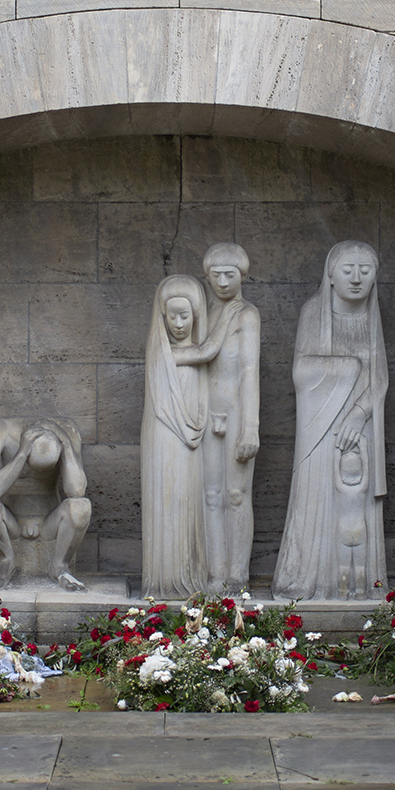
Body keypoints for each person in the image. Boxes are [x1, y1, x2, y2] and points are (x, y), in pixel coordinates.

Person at [273, 241, 388, 600]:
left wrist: (360, 412)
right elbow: (301, 372)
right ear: (331, 274)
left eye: (365, 271)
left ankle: (361, 584)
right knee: (317, 500)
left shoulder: (371, 317)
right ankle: (310, 577)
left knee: (357, 508)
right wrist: (349, 369)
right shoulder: (313, 313)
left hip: (361, 427)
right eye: (348, 270)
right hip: (320, 429)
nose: (356, 278)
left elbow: (381, 377)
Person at [173, 243, 260, 593]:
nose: (223, 282)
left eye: (231, 275)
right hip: (205, 410)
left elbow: (248, 370)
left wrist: (250, 426)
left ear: (242, 276)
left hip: (238, 411)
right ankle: (215, 573)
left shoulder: (246, 314)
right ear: (206, 277)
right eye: (216, 275)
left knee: (237, 493)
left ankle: (238, 574)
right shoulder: (202, 312)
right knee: (210, 494)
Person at [140, 274, 209, 597]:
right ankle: (162, 580)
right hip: (164, 437)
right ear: (162, 315)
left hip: (191, 441)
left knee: (188, 501)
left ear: (196, 315)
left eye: (186, 315)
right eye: (172, 316)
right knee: (166, 499)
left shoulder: (196, 351)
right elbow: (205, 351)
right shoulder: (161, 354)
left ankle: (188, 577)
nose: (179, 323)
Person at [0, 416, 91, 591]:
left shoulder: (66, 428)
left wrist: (65, 442)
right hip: (10, 522)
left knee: (81, 506)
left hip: (49, 523)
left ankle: (59, 566)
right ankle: (5, 559)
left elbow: (77, 490)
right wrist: (22, 452)